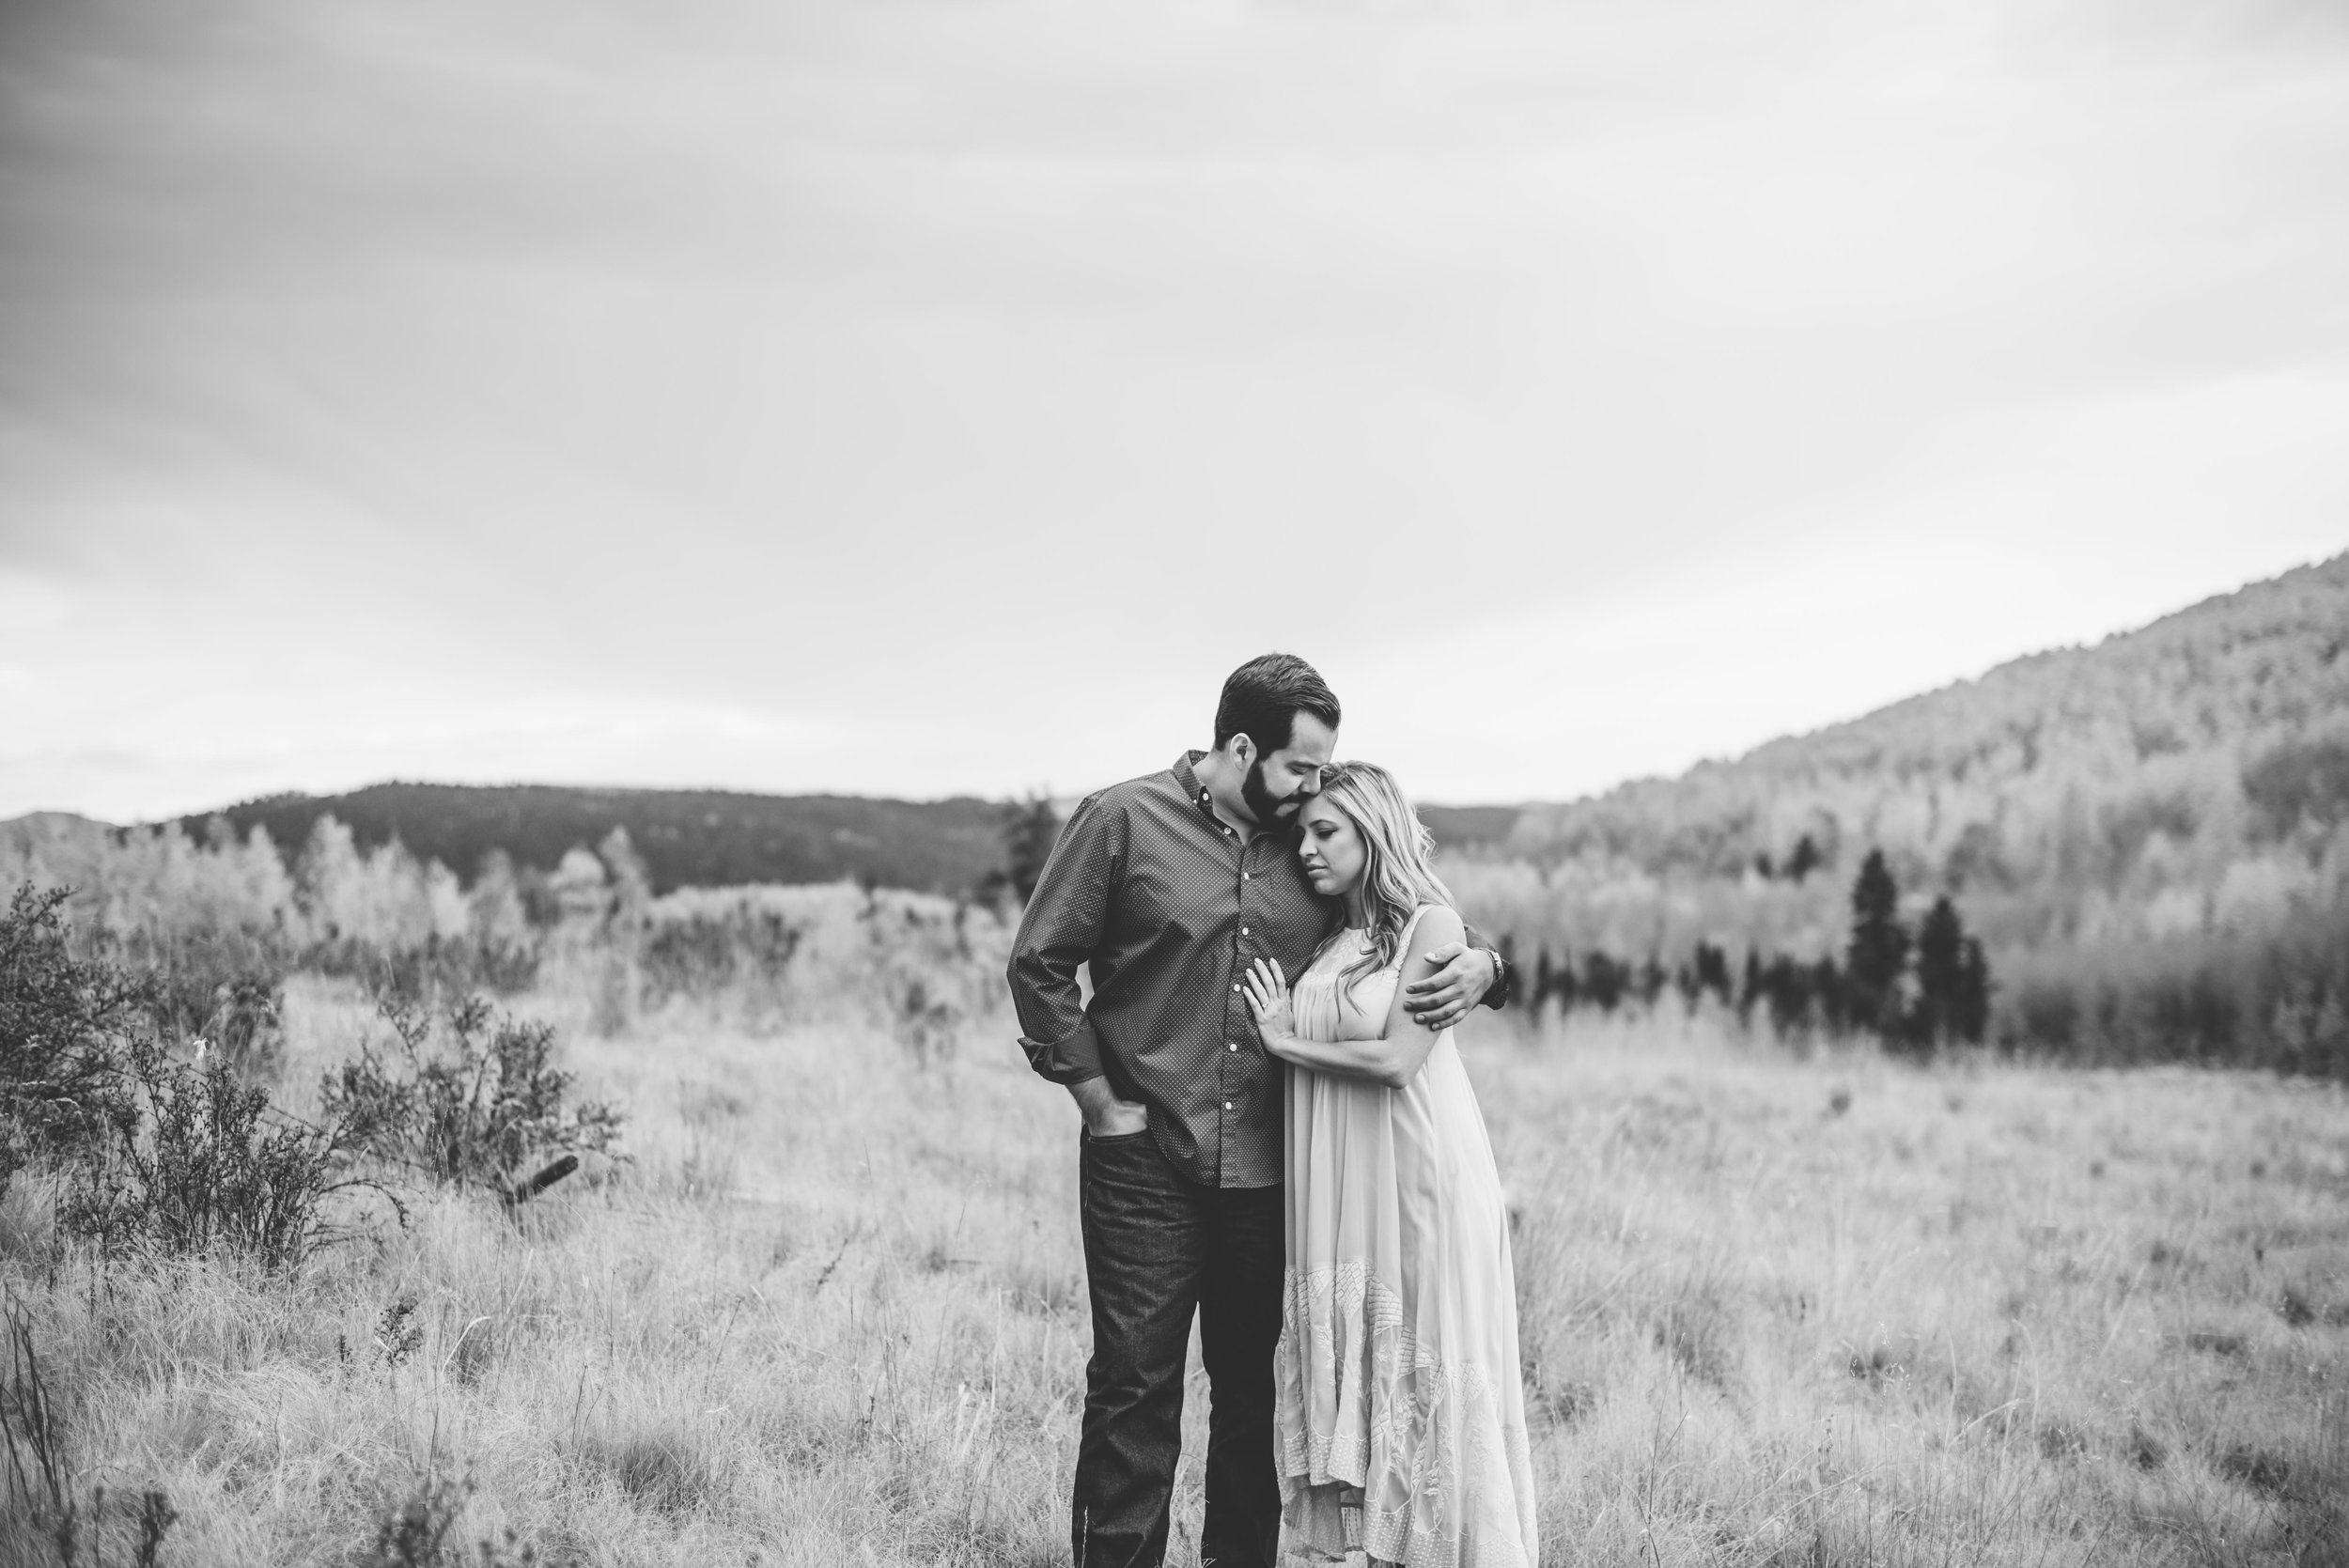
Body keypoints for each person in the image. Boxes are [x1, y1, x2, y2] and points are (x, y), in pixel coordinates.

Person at [1008, 654, 1512, 1568]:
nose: (1314, 787)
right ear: (1240, 747)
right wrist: (1099, 1102)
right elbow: (1039, 964)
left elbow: (1397, 904)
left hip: (1270, 1175)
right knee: (1133, 1392)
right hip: (1143, 1161)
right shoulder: (1121, 819)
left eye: (1324, 772)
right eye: (1300, 767)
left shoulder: (1303, 842)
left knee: (1254, 1395)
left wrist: (1485, 961)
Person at [1242, 761, 1538, 1568]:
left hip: (1416, 1181)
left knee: (1419, 1367)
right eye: (1302, 833)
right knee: (1362, 1375)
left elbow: (1398, 1060)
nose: (1307, 848)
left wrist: (1282, 1039)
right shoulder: (1332, 935)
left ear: (1372, 831)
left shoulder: (1434, 927)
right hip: (1340, 1189)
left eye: (1326, 831)